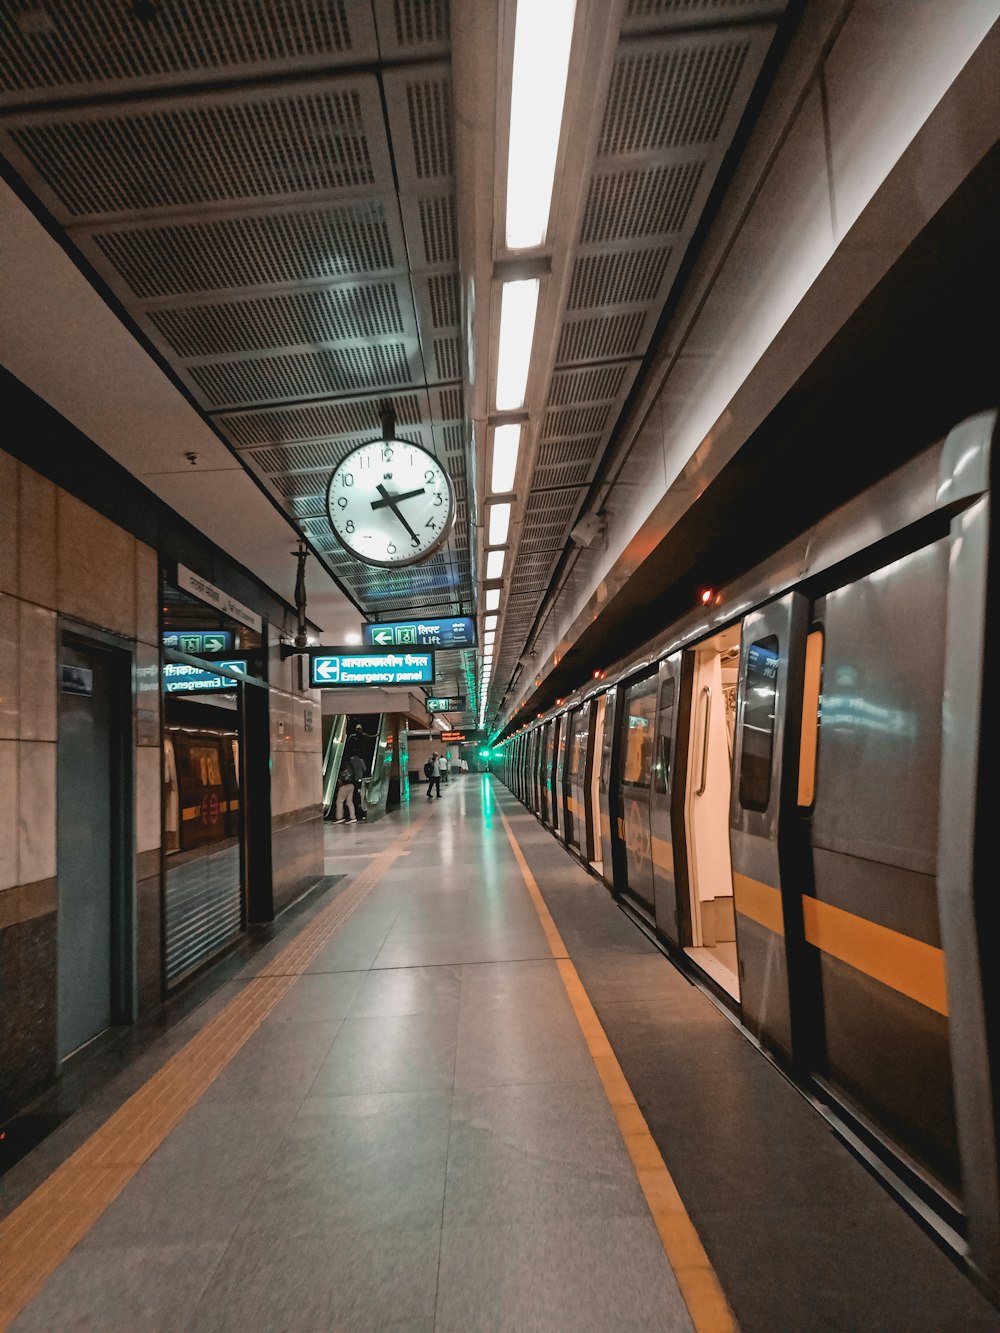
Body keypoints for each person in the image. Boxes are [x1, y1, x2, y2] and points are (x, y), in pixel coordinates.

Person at [348, 749, 367, 822]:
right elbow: (364, 769)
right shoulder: (361, 760)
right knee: (360, 797)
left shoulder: (351, 760)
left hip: (353, 780)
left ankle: (354, 813)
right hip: (360, 780)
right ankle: (361, 814)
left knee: (354, 798)